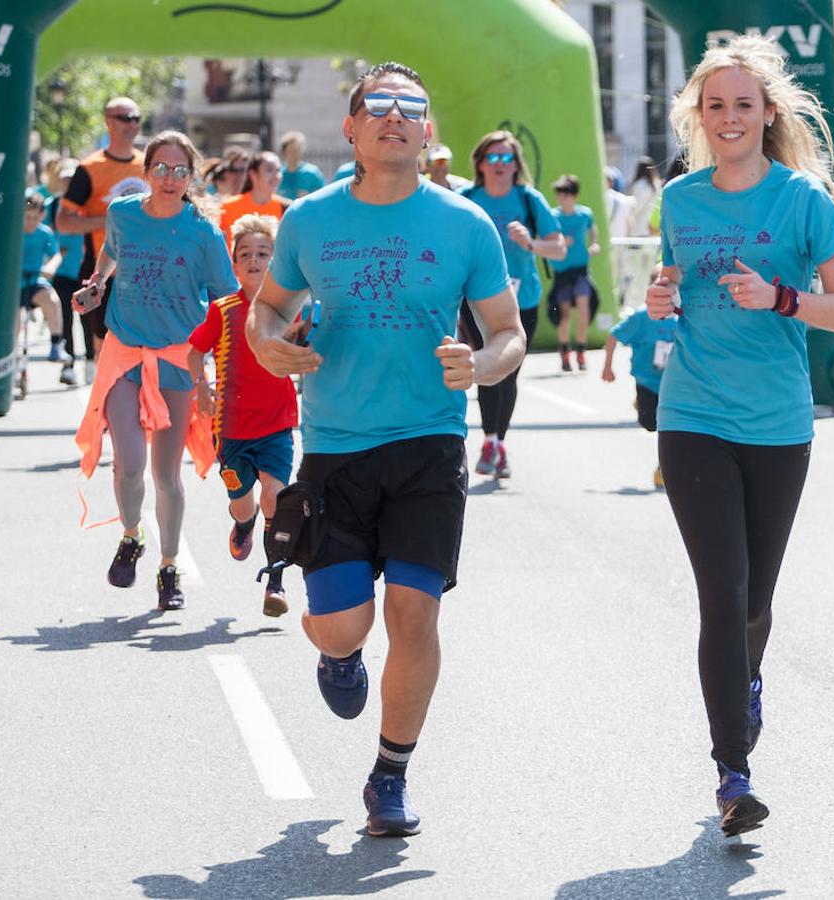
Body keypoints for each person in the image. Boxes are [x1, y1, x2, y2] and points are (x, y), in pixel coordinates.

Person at [246, 61, 524, 838]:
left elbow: (507, 331)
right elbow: (266, 312)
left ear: (427, 130)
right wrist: (270, 348)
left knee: (414, 614)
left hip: (429, 444)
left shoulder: (465, 225)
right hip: (334, 446)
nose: (395, 117)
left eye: (413, 107)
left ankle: (389, 776)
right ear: (353, 127)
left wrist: (483, 363)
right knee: (344, 625)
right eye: (379, 106)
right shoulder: (309, 219)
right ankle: (336, 657)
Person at [645, 35, 834, 837]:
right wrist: (660, 297)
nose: (729, 117)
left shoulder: (801, 200)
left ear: (767, 113)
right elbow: (669, 286)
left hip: (776, 424)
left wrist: (780, 298)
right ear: (698, 118)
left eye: (742, 104)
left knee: (753, 604)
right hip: (692, 416)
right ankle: (732, 773)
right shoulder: (682, 199)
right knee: (721, 593)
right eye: (714, 106)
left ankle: (747, 681)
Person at [74, 131, 238, 611]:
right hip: (125, 350)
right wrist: (98, 284)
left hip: (176, 358)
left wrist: (217, 368)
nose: (169, 178)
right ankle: (131, 536)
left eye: (180, 170)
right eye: (161, 169)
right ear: (145, 173)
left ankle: (169, 568)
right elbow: (112, 252)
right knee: (129, 463)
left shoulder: (203, 231)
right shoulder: (123, 215)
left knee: (167, 474)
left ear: (192, 176)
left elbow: (225, 300)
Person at [187, 214, 298, 617]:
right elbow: (195, 349)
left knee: (275, 497)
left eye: (263, 253)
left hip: (277, 423)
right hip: (231, 427)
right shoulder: (223, 308)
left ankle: (276, 581)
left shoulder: (290, 308)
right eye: (245, 254)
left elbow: (309, 344)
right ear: (234, 265)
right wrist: (202, 387)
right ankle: (243, 524)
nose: (254, 260)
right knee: (243, 502)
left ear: (276, 260)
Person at [461, 129, 565, 478]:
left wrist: (532, 243)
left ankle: (497, 440)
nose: (500, 164)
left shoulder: (528, 199)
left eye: (507, 158)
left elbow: (559, 248)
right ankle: (492, 441)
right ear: (480, 163)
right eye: (493, 157)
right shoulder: (468, 198)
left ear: (516, 165)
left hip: (524, 300)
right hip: (477, 301)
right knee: (488, 369)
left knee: (509, 372)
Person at [57, 97, 148, 380]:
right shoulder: (90, 168)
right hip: (103, 271)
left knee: (143, 348)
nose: (132, 124)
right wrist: (109, 220)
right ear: (109, 121)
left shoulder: (150, 165)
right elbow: (63, 221)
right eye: (125, 117)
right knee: (104, 345)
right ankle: (106, 412)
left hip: (146, 270)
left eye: (137, 118)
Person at [601, 271, 677, 488]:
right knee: (649, 423)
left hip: (673, 384)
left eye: (671, 288)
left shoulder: (683, 319)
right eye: (660, 287)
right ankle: (640, 403)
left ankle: (663, 468)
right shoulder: (642, 318)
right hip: (647, 381)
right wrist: (608, 367)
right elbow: (614, 335)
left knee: (668, 427)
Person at [549, 173, 600, 372]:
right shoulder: (553, 216)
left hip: (581, 270)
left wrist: (594, 243)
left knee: (584, 308)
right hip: (562, 270)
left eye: (566, 194)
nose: (562, 198)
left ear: (575, 195)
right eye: (560, 194)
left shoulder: (584, 214)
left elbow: (592, 229)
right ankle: (564, 351)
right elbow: (548, 236)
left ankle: (580, 349)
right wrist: (560, 242)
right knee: (564, 315)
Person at [46, 158, 87, 385]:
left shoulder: (87, 206)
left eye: (73, 179)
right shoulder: (52, 205)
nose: (69, 183)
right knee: (65, 318)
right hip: (61, 271)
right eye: (65, 178)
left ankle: (91, 362)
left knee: (88, 319)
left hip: (85, 270)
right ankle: (68, 364)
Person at [19, 191, 69, 364]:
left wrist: (50, 267)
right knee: (15, 321)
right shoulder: (14, 232)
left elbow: (55, 255)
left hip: (34, 280)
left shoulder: (44, 233)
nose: (31, 222)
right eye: (27, 217)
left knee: (52, 301)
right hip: (15, 284)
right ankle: (9, 353)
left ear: (42, 215)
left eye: (35, 217)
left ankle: (56, 346)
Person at [219, 151, 290, 247]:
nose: (276, 176)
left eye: (278, 170)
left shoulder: (287, 208)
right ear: (253, 174)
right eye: (269, 170)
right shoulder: (227, 208)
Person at [279, 131, 326, 200]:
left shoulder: (312, 173)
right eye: (291, 151)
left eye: (298, 150)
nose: (295, 154)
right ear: (284, 152)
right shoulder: (278, 175)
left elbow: (323, 196)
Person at [628, 155, 661, 237]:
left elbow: (636, 206)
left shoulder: (641, 185)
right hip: (651, 228)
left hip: (638, 228)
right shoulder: (656, 184)